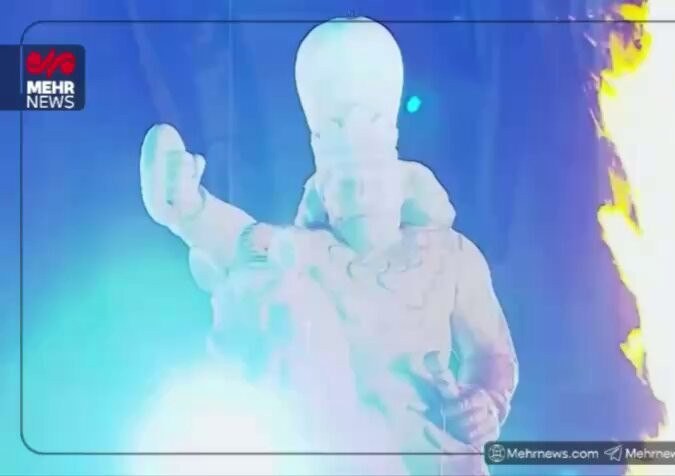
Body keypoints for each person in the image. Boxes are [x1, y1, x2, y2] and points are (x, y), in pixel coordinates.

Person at [139, 17, 518, 476]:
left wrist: (483, 402)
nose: (360, 194)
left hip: (437, 451)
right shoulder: (311, 255)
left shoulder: (450, 255)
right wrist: (190, 209)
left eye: (370, 180)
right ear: (324, 190)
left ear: (400, 182)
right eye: (346, 183)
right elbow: (248, 244)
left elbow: (492, 354)